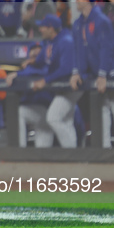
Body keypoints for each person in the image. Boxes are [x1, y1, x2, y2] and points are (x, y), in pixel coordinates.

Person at [70, 0, 114, 148]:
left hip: (112, 71)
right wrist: (77, 72)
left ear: (87, 0)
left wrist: (103, 74)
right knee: (102, 108)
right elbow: (78, 50)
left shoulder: (101, 20)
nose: (76, 1)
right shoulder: (78, 23)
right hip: (96, 73)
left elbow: (107, 48)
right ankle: (105, 151)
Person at [25, 14, 79, 148]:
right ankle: (74, 157)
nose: (40, 29)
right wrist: (32, 62)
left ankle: (72, 155)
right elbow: (42, 59)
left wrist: (45, 80)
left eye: (43, 27)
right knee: (66, 121)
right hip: (63, 87)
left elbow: (66, 69)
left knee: (53, 117)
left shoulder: (66, 41)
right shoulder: (52, 42)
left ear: (51, 28)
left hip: (72, 85)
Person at [6, 43, 54, 147]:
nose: (36, 52)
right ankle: (19, 150)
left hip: (49, 112)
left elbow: (43, 73)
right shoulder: (27, 69)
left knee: (43, 154)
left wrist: (18, 74)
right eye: (33, 49)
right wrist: (20, 72)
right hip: (33, 111)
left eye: (39, 49)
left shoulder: (50, 65)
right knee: (18, 112)